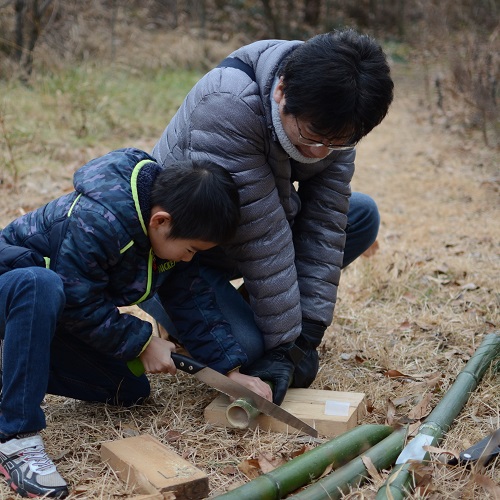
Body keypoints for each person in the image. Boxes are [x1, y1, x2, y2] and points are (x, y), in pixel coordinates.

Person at [145, 28, 394, 406]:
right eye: (310, 136)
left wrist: (305, 334)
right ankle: (170, 307)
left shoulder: (336, 120)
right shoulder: (228, 104)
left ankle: (235, 312)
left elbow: (325, 223)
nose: (320, 151)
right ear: (281, 92)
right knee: (247, 349)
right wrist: (283, 344)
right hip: (178, 250)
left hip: (236, 238)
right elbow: (262, 236)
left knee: (359, 215)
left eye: (336, 144)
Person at [0, 147, 242, 498]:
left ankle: (8, 369)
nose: (191, 258)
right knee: (41, 283)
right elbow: (77, 302)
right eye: (190, 249)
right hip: (14, 299)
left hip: (49, 319)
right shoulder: (99, 220)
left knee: (129, 388)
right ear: (161, 221)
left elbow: (191, 298)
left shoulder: (166, 229)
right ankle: (15, 439)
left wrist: (230, 369)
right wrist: (143, 341)